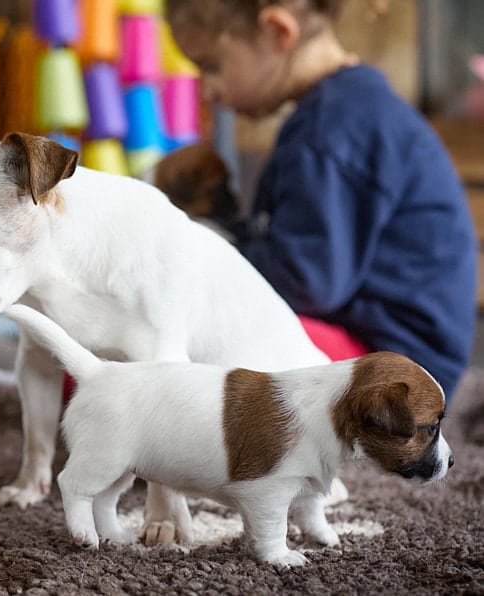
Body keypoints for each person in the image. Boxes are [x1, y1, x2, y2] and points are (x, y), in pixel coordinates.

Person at [163, 0, 478, 403]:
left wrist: (205, 253)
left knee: (196, 341)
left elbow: (306, 281)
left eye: (211, 65)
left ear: (278, 32)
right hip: (377, 344)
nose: (208, 90)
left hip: (393, 369)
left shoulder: (333, 130)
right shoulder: (340, 112)